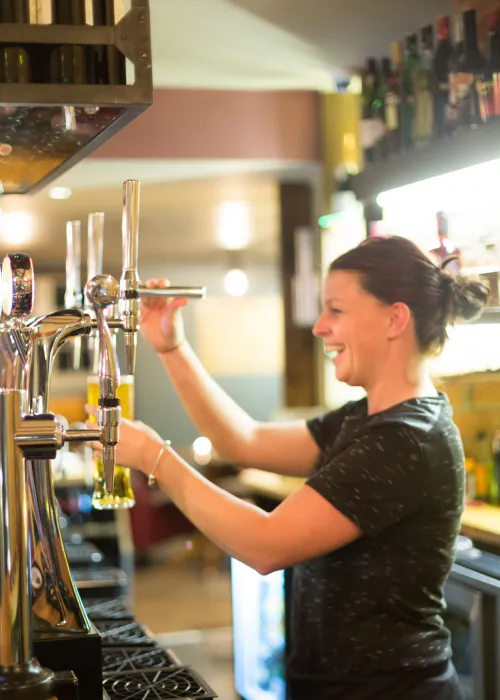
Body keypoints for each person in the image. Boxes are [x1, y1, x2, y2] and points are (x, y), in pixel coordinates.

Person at [87, 235, 489, 700]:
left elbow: (265, 545)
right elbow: (243, 440)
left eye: (336, 310)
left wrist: (157, 459)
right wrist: (172, 348)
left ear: (395, 318)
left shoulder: (405, 439)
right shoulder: (367, 417)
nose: (319, 327)